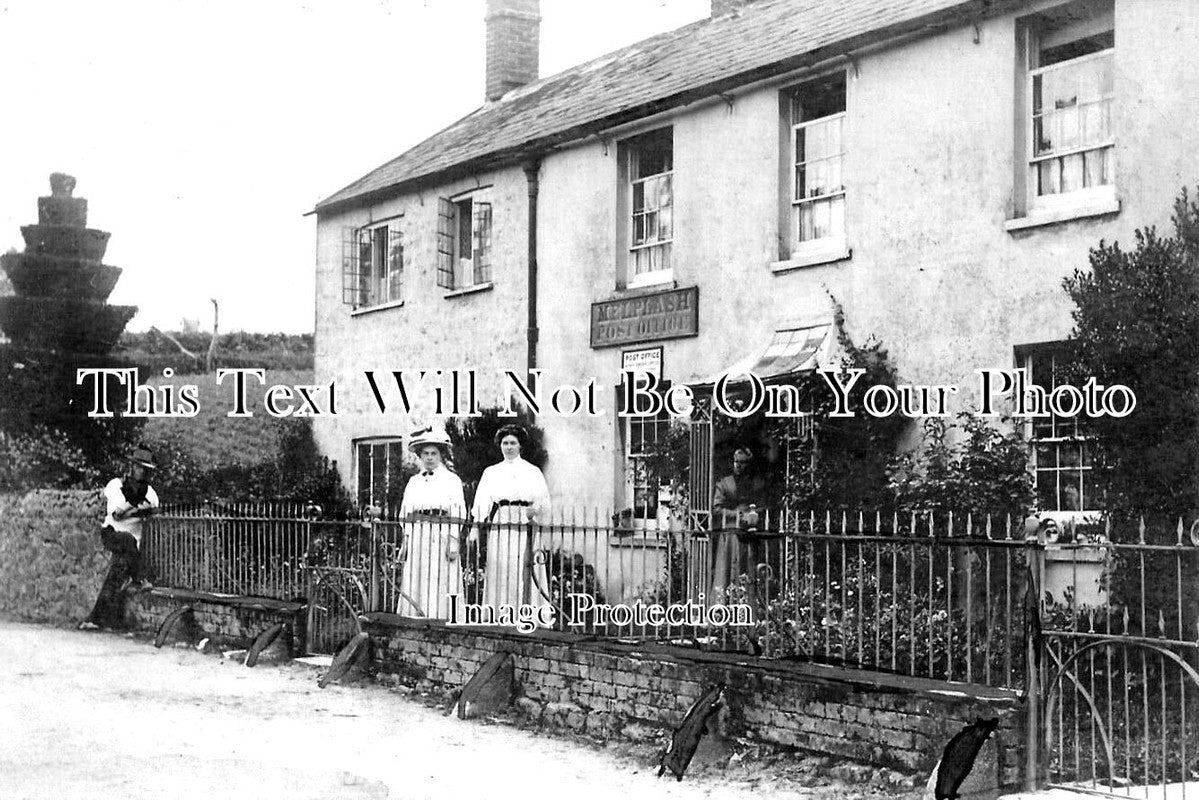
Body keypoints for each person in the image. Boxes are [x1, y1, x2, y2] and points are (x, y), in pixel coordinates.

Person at [469, 424, 551, 614]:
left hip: (526, 523)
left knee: (526, 567)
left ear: (520, 445)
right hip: (502, 521)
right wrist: (475, 528)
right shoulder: (491, 472)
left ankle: (530, 615)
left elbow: (544, 501)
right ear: (500, 445)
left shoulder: (532, 471)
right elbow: (481, 501)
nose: (509, 447)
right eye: (505, 443)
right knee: (502, 568)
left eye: (513, 443)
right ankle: (501, 615)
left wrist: (535, 510)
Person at [80, 445, 160, 631]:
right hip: (113, 534)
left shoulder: (151, 494)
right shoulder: (116, 485)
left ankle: (98, 619)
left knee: (118, 571)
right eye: (139, 467)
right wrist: (135, 507)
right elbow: (116, 515)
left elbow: (152, 516)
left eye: (146, 470)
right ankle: (140, 578)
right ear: (132, 467)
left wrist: (138, 511)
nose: (142, 472)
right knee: (126, 540)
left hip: (134, 542)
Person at [396, 426, 466, 619]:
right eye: (425, 454)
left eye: (433, 453)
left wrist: (453, 540)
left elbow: (458, 510)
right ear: (420, 456)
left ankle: (441, 616)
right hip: (419, 533)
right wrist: (406, 540)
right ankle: (416, 614)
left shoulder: (452, 480)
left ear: (440, 455)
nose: (429, 458)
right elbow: (406, 511)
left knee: (440, 575)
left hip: (441, 532)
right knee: (418, 574)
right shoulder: (414, 482)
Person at [709, 446, 772, 606]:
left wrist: (753, 513)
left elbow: (764, 505)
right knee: (726, 571)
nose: (738, 465)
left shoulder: (756, 484)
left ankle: (747, 609)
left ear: (748, 464)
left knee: (748, 571)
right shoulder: (725, 483)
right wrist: (738, 515)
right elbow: (717, 508)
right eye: (736, 461)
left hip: (750, 533)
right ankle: (722, 610)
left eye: (742, 462)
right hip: (730, 534)